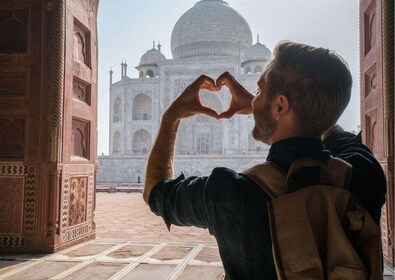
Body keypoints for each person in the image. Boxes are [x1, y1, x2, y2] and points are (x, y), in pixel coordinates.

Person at [143, 41, 386, 279]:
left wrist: (171, 116)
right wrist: (268, 107)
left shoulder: (231, 194)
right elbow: (324, 124)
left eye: (259, 91)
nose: (253, 99)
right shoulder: (363, 171)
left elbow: (155, 191)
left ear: (281, 106)